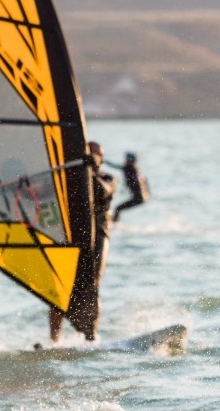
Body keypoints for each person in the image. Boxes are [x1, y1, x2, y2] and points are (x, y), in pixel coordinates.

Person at [46, 140, 116, 345]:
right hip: (72, 236)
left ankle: (90, 339)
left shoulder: (108, 179)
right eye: (91, 153)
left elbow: (101, 191)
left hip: (99, 236)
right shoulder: (70, 177)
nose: (95, 157)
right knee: (60, 287)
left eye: (98, 154)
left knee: (92, 287)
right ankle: (53, 342)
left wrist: (89, 170)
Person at [110, 152, 151, 224]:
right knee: (118, 209)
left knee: (118, 208)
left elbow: (115, 166)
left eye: (127, 159)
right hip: (144, 197)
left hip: (139, 198)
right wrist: (148, 193)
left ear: (131, 160)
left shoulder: (130, 170)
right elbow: (145, 181)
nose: (125, 160)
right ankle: (114, 222)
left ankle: (114, 224)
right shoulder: (135, 170)